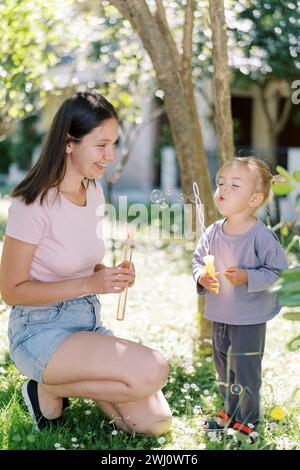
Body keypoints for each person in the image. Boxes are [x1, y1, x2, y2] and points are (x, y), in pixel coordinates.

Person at [0, 91, 172, 435]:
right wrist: (90, 285)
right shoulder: (31, 203)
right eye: (101, 145)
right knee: (154, 369)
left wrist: (106, 275)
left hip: (86, 322)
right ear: (68, 142)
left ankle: (55, 387)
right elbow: (11, 292)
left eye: (115, 144)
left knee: (155, 424)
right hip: (40, 330)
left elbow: (83, 261)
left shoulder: (92, 190)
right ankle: (47, 383)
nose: (111, 155)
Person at [192, 157, 288, 438]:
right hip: (220, 314)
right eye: (221, 183)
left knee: (245, 369)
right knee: (223, 368)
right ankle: (229, 412)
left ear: (254, 198)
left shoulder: (261, 237)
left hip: (249, 318)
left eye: (235, 185)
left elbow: (279, 272)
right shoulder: (212, 232)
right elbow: (198, 261)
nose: (223, 189)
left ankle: (249, 419)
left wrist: (248, 276)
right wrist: (201, 276)